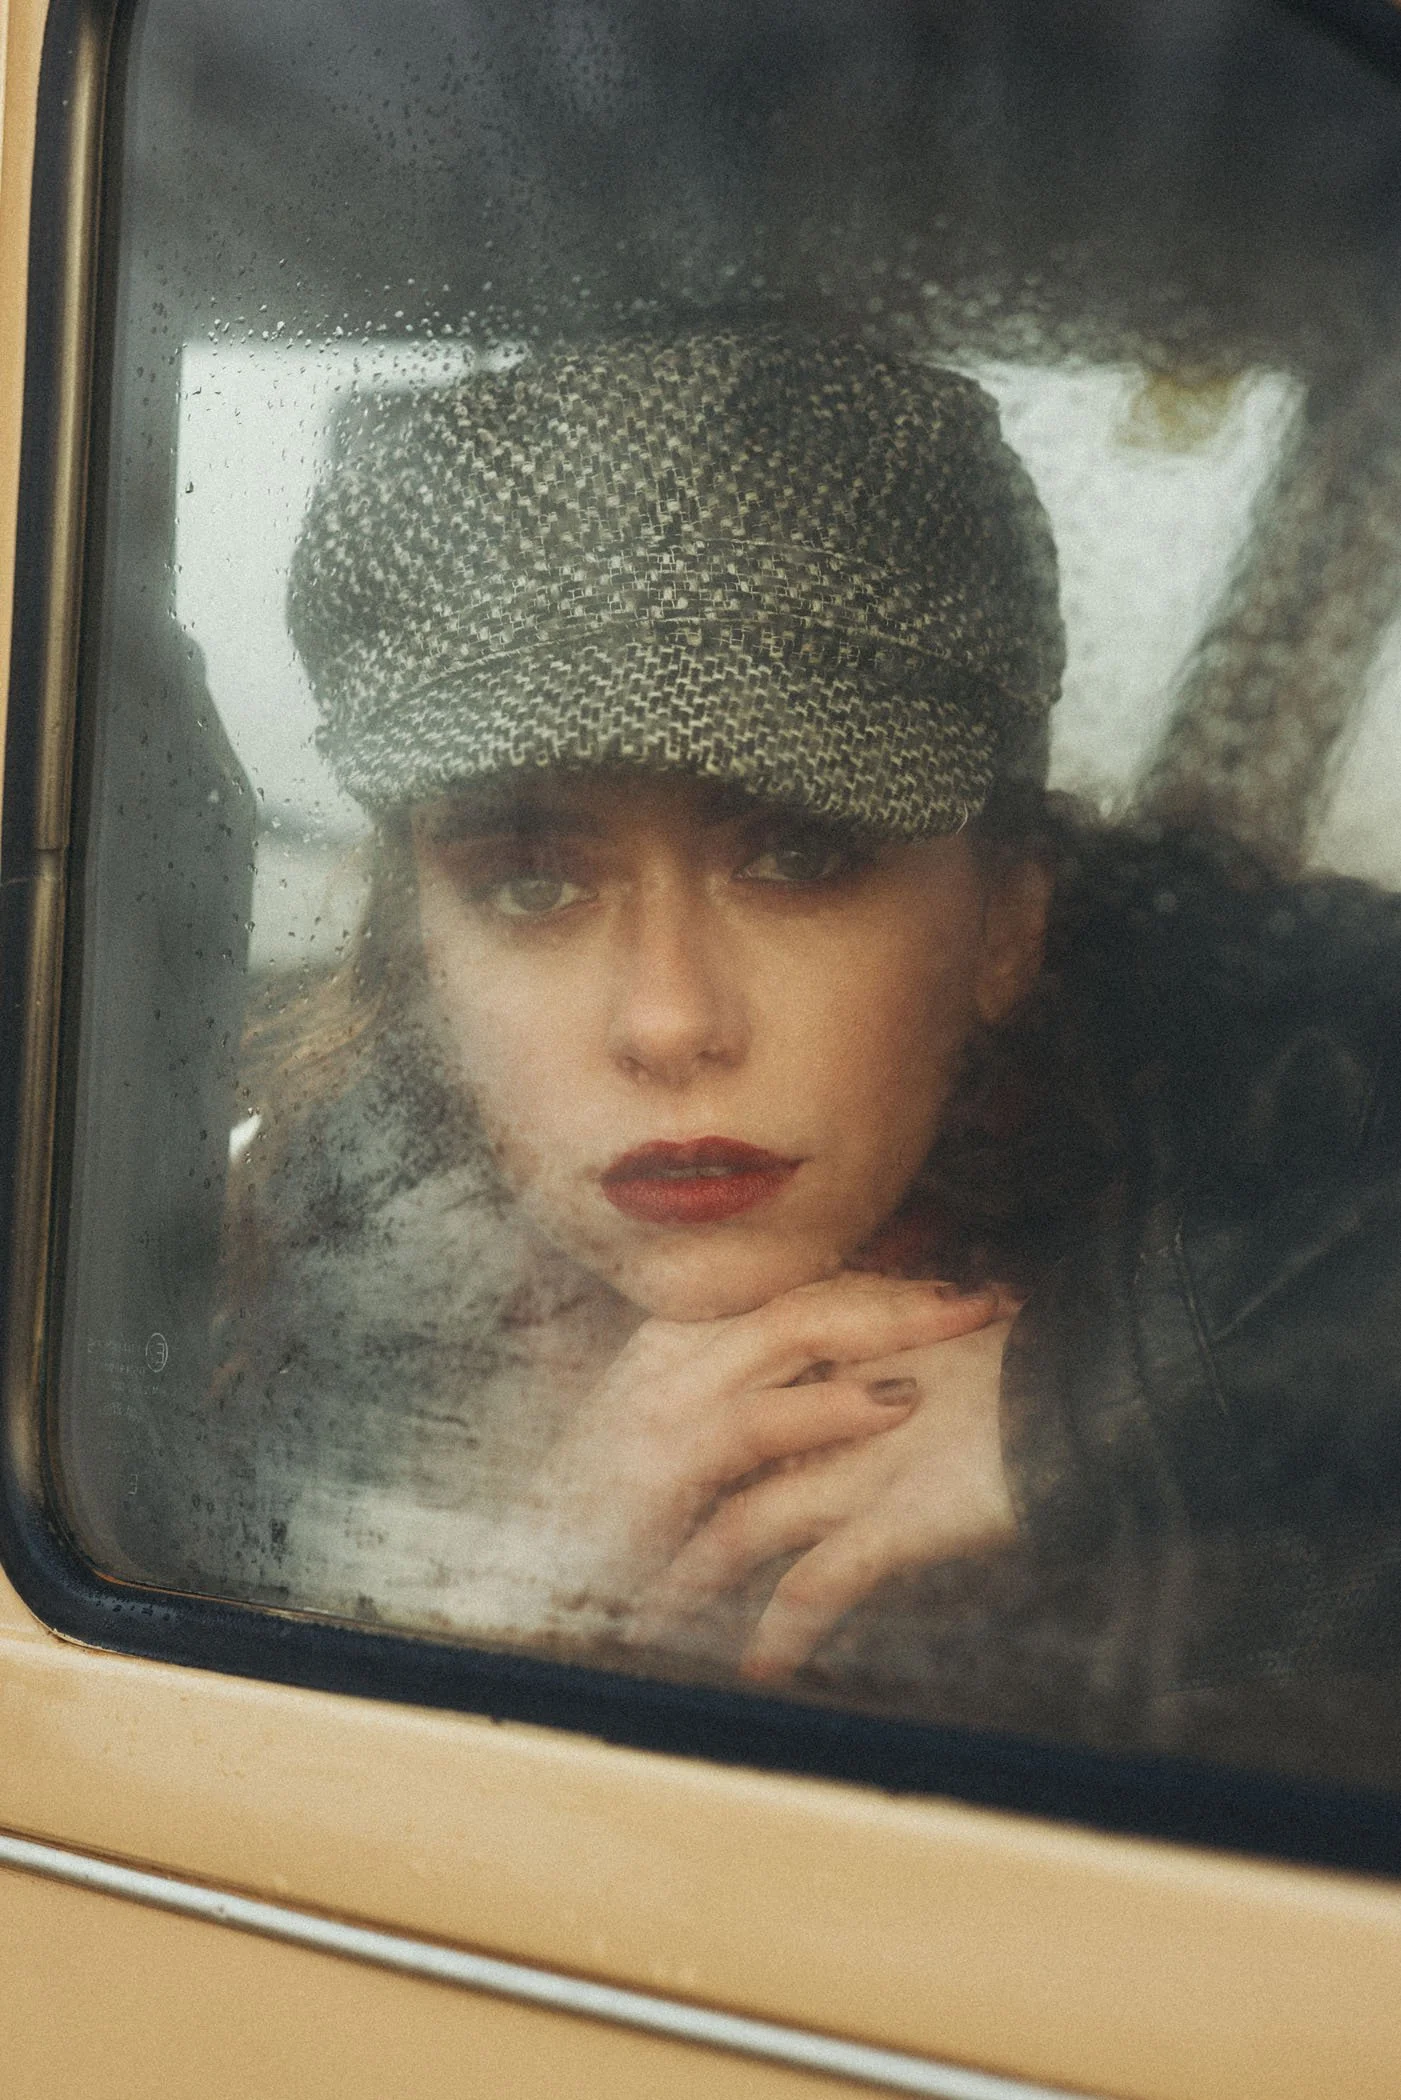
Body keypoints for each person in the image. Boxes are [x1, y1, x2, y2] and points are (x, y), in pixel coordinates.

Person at [185, 329, 1401, 1754]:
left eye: (800, 858)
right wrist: (509, 1604)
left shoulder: (1299, 1121)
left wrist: (1113, 1402)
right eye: (531, 882)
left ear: (1006, 925)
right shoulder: (272, 1302)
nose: (670, 1020)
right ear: (424, 965)